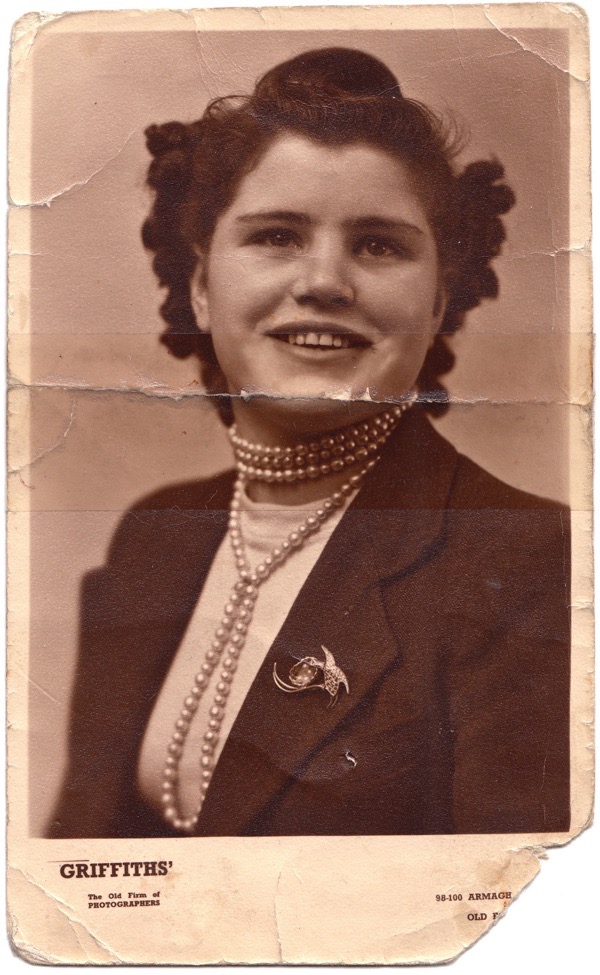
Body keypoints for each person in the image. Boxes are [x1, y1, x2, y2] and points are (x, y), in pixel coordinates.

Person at [48, 47, 570, 839]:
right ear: (201, 286)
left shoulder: (531, 559)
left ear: (438, 301)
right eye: (277, 236)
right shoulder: (154, 535)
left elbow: (514, 902)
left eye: (378, 245)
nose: (324, 280)